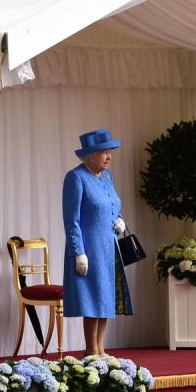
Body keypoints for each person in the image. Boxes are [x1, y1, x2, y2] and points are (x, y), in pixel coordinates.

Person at [62, 128, 132, 356]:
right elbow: (72, 220)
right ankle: (91, 350)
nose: (109, 157)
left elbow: (112, 206)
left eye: (110, 152)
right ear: (90, 155)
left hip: (109, 248)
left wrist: (119, 220)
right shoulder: (75, 177)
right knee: (92, 299)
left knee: (105, 298)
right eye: (104, 152)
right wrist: (78, 252)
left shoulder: (108, 177)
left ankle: (101, 348)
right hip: (89, 249)